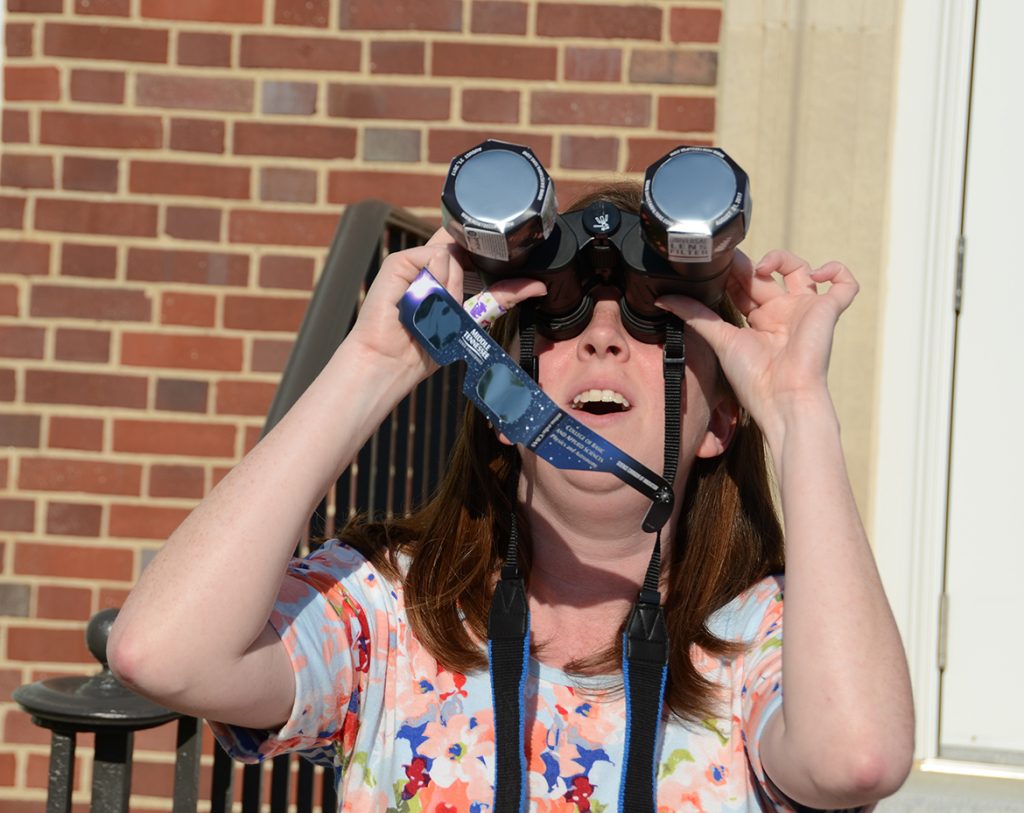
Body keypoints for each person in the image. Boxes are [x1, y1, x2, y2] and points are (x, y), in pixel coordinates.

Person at [108, 183, 914, 812]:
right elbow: (162, 651)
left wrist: (798, 409)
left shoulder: (761, 641)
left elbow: (858, 758)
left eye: (654, 322)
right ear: (501, 402)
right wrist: (374, 363)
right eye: (558, 318)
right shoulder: (393, 611)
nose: (601, 337)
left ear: (721, 422)